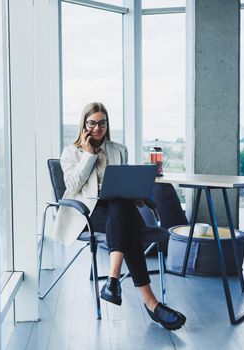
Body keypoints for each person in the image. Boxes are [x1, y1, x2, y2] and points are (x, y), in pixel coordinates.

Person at [52, 102, 186, 331]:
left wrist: (138, 195)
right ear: (84, 125)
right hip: (88, 213)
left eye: (102, 123)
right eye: (92, 123)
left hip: (119, 210)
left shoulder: (118, 149)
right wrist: (88, 154)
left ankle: (113, 281)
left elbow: (124, 183)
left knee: (121, 204)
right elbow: (73, 184)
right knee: (127, 222)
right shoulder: (71, 152)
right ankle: (151, 303)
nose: (97, 128)